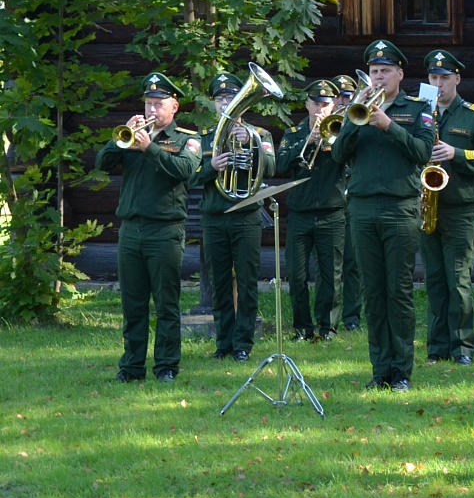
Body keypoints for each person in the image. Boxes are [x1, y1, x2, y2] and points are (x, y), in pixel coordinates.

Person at [331, 40, 436, 391]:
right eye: (374, 71)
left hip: (399, 207)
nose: (378, 77)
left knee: (399, 291)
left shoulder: (417, 108)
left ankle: (402, 371)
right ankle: (380, 370)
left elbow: (422, 152)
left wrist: (389, 125)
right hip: (361, 207)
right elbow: (338, 156)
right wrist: (355, 119)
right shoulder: (356, 110)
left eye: (385, 71)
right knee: (373, 292)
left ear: (399, 74)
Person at [97, 73, 203, 382]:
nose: (151, 110)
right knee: (133, 304)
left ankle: (167, 366)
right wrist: (121, 139)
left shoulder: (187, 139)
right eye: (148, 103)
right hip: (130, 230)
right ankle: (131, 368)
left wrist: (150, 149)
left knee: (166, 303)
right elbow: (102, 162)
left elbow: (184, 169)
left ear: (174, 106)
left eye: (158, 104)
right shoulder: (133, 135)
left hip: (165, 231)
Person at [195, 71, 275, 363]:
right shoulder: (204, 139)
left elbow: (272, 167)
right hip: (214, 218)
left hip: (246, 218)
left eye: (230, 97)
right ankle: (223, 342)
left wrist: (252, 144)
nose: (225, 102)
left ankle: (243, 343)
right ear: (213, 104)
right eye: (220, 99)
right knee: (219, 283)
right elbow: (191, 178)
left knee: (247, 280)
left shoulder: (260, 134)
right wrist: (211, 167)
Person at [420, 49, 474, 367]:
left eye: (444, 78)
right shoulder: (421, 112)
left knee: (458, 279)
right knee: (434, 279)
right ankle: (437, 346)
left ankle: (462, 346)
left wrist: (456, 153)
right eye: (433, 78)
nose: (438, 84)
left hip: (460, 209)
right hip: (427, 205)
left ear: (457, 79)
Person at [276, 79, 348, 342]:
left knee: (330, 275)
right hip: (300, 214)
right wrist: (307, 141)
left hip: (332, 212)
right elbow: (281, 163)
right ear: (307, 104)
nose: (320, 110)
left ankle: (327, 328)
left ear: (333, 106)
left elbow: (348, 159)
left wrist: (331, 140)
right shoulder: (293, 133)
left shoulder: (341, 131)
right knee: (296, 275)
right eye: (316, 104)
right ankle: (302, 328)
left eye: (325, 105)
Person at [333, 74, 363, 333]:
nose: (343, 100)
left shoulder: (358, 120)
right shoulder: (324, 123)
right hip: (330, 201)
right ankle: (328, 317)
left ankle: (352, 316)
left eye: (348, 96)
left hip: (353, 196)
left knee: (353, 261)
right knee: (331, 264)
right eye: (339, 96)